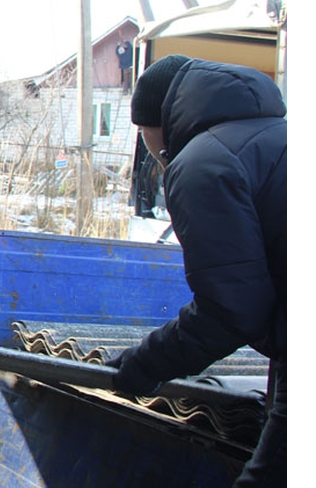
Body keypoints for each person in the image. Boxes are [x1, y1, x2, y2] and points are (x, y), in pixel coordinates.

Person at [108, 54, 286, 486]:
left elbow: (232, 310)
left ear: (156, 123)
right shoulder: (276, 137)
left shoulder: (202, 164)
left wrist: (144, 364)